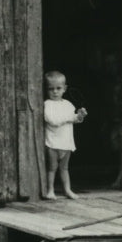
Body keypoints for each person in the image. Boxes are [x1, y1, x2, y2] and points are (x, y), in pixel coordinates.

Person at [43, 70, 87, 200]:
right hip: (52, 143)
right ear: (46, 90)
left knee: (64, 168)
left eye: (58, 88)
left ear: (65, 89)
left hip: (66, 143)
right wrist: (70, 117)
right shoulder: (48, 104)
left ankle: (67, 190)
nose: (55, 92)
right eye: (51, 89)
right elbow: (53, 120)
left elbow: (74, 119)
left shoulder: (68, 104)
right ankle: (50, 190)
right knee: (52, 168)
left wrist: (79, 116)